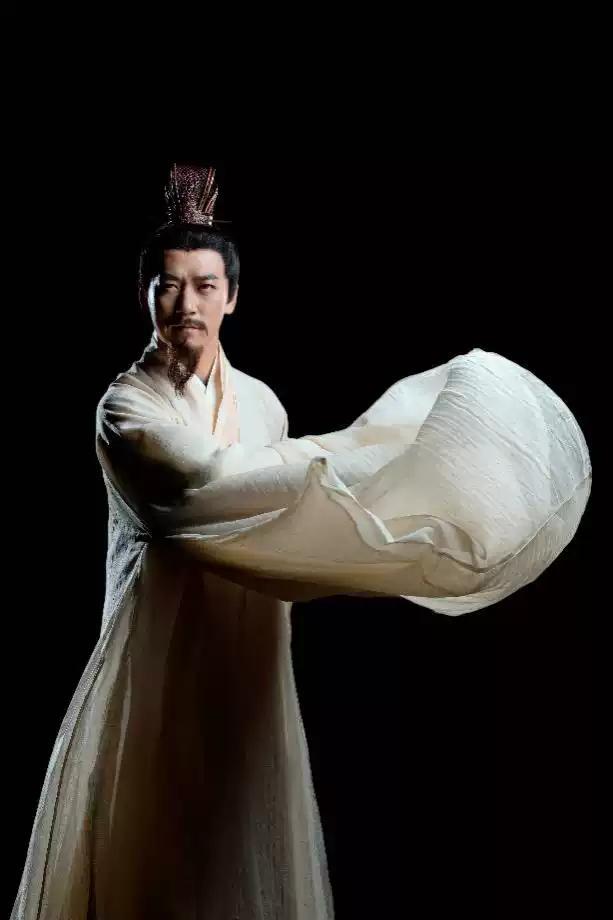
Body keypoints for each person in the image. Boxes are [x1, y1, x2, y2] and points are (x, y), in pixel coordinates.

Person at [12, 165, 591, 920]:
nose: (186, 304)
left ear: (231, 296)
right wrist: (341, 467)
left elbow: (277, 505)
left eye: (205, 286)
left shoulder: (261, 404)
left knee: (237, 827)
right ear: (145, 294)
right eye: (168, 285)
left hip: (247, 649)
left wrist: (375, 462)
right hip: (156, 648)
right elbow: (202, 489)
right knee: (151, 838)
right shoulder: (125, 408)